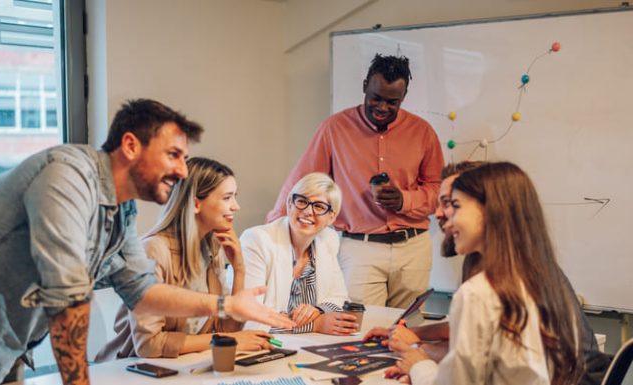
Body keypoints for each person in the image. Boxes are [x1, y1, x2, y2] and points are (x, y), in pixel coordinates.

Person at [0, 99, 293, 385]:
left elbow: (144, 291)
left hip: (2, 350)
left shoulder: (121, 212)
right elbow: (67, 296)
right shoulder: (67, 176)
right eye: (173, 155)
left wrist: (226, 305)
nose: (183, 170)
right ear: (130, 145)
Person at [367, 161, 610, 384]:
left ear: (491, 209)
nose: (444, 216)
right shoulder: (520, 274)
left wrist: (419, 363)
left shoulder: (482, 291)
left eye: (454, 205)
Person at [266, 54, 444, 309]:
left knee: (408, 329)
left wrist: (405, 199)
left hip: (413, 247)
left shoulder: (423, 132)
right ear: (364, 86)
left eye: (392, 102)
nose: (382, 107)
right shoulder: (334, 128)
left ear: (404, 97)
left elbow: (438, 190)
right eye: (376, 98)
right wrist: (272, 231)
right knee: (359, 329)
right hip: (358, 247)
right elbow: (302, 183)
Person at [97, 157, 273, 361]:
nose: (236, 206)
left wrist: (239, 267)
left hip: (185, 366)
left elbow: (224, 327)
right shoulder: (153, 250)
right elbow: (149, 345)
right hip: (134, 370)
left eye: (235, 196)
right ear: (196, 204)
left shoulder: (211, 247)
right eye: (227, 197)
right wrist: (228, 339)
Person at [242, 173, 357, 335]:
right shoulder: (257, 240)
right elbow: (249, 318)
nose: (308, 212)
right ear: (289, 203)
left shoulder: (328, 239)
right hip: (266, 344)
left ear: (332, 217)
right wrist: (315, 325)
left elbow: (340, 298)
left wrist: (318, 309)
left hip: (308, 343)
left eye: (319, 206)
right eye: (302, 201)